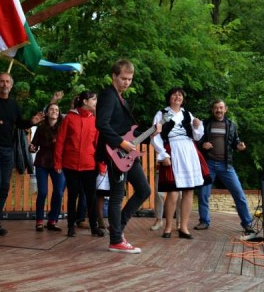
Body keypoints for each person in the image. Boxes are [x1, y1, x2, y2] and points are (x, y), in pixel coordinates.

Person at [95, 59, 151, 254]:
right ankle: (116, 240)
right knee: (117, 196)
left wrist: (153, 132)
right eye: (123, 78)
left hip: (127, 153)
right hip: (115, 153)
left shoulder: (121, 99)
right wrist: (120, 143)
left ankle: (117, 228)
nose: (127, 82)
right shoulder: (108, 95)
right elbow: (101, 124)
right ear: (114, 76)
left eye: (130, 79)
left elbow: (128, 132)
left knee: (144, 190)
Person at [0, 72, 44, 235]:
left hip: (8, 148)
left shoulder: (14, 105)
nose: (4, 84)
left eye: (7, 82)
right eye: (2, 81)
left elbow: (20, 124)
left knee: (4, 185)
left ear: (11, 85)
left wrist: (31, 122)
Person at [151, 88, 206, 239]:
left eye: (180, 95)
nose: (177, 97)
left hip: (189, 151)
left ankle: (184, 227)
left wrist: (197, 126)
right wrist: (163, 154)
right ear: (169, 98)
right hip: (172, 149)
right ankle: (168, 227)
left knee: (188, 190)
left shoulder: (187, 114)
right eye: (174, 94)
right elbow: (155, 136)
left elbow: (197, 136)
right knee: (173, 191)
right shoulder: (162, 114)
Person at [195, 100, 254, 234]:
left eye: (221, 108)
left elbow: (235, 142)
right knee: (203, 194)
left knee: (239, 194)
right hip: (209, 164)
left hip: (226, 165)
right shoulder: (205, 123)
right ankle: (204, 221)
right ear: (212, 110)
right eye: (216, 108)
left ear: (225, 109)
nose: (219, 110)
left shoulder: (231, 125)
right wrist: (203, 144)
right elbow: (197, 140)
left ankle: (247, 224)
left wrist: (239, 146)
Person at [54, 91, 104, 238]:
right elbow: (60, 142)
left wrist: (101, 165)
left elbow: (98, 145)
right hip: (70, 165)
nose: (96, 102)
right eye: (94, 99)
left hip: (89, 165)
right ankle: (71, 226)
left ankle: (94, 227)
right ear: (85, 101)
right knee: (72, 196)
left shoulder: (95, 120)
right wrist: (57, 163)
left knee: (91, 197)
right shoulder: (69, 118)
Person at [29, 101, 64, 232]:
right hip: (42, 162)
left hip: (58, 162)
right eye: (52, 109)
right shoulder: (41, 128)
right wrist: (32, 148)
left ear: (59, 114)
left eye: (57, 110)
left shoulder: (63, 127)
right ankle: (39, 220)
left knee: (59, 192)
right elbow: (34, 145)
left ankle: (52, 220)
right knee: (42, 192)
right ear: (47, 113)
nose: (54, 111)